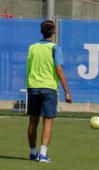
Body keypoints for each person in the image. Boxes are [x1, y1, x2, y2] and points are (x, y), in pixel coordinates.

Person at [25, 19, 71, 163]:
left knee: (33, 121)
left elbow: (29, 65)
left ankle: (33, 153)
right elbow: (59, 69)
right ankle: (43, 155)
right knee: (48, 121)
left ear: (41, 31)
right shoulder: (55, 48)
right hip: (48, 88)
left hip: (33, 87)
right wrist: (67, 91)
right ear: (54, 32)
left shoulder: (32, 47)